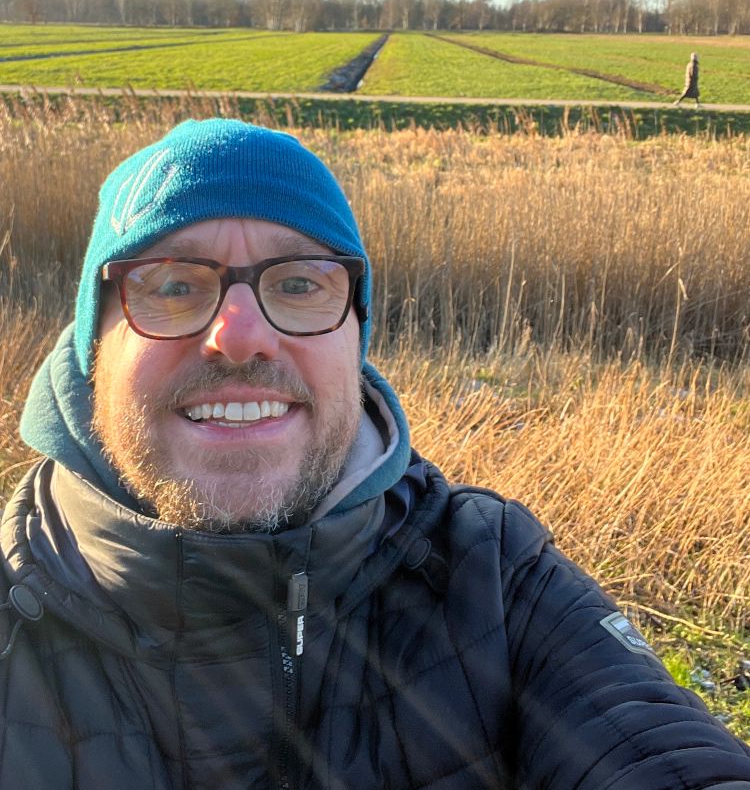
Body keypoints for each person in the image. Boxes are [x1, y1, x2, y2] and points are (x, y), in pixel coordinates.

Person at [2, 117, 749, 790]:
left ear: (356, 341)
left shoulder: (492, 578)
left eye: (299, 284)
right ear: (91, 347)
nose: (239, 335)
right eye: (171, 284)